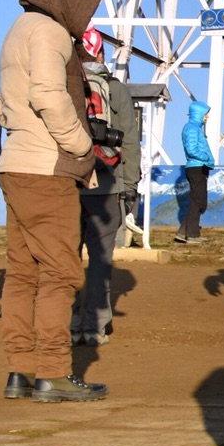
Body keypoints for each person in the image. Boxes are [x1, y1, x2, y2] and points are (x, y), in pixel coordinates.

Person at [0, 0, 108, 403]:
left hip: (15, 164)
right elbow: (47, 93)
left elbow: (11, 104)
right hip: (47, 167)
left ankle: (19, 371)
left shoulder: (17, 29)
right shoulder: (50, 32)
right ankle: (54, 373)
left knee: (22, 274)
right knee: (60, 272)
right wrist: (82, 144)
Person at [71, 54, 142, 346]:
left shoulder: (65, 85)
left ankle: (69, 322)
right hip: (107, 184)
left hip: (68, 183)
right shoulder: (117, 89)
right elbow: (129, 139)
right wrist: (130, 184)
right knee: (100, 260)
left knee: (66, 258)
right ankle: (96, 325)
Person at [177, 98, 213, 244]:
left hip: (198, 166)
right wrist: (205, 157)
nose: (207, 116)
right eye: (206, 113)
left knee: (198, 201)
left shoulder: (195, 128)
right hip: (197, 166)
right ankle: (191, 234)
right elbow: (192, 149)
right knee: (198, 201)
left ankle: (183, 232)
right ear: (199, 113)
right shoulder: (192, 128)